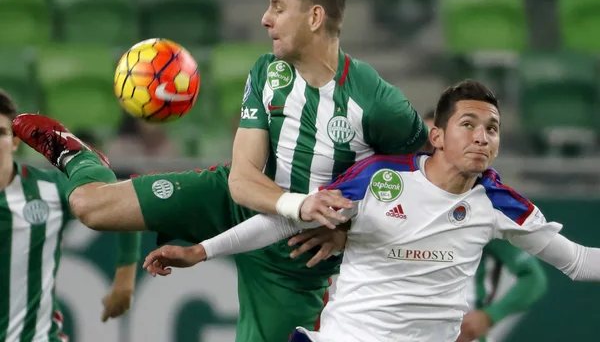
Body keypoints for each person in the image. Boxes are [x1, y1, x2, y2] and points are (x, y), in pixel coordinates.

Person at [11, 0, 427, 342]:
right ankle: (78, 154)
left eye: (278, 8)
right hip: (234, 200)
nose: (265, 19)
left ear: (315, 17)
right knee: (89, 205)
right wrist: (303, 205)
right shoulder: (269, 71)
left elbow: (429, 182)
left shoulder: (378, 103)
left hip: (294, 264)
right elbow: (243, 179)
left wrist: (349, 229)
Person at [144, 80, 600, 342]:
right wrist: (200, 252)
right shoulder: (381, 177)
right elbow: (287, 217)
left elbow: (578, 262)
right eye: (469, 124)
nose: (483, 137)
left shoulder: (499, 203)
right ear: (436, 136)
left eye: (493, 128)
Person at [0, 90, 139, 342]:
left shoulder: (49, 187)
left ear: (15, 142)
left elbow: (120, 201)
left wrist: (125, 281)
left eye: (0, 133)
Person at [421, 109, 548, 342]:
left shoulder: (482, 210)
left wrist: (489, 316)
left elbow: (533, 278)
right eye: (426, 147)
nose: (432, 154)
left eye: (440, 146)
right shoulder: (396, 204)